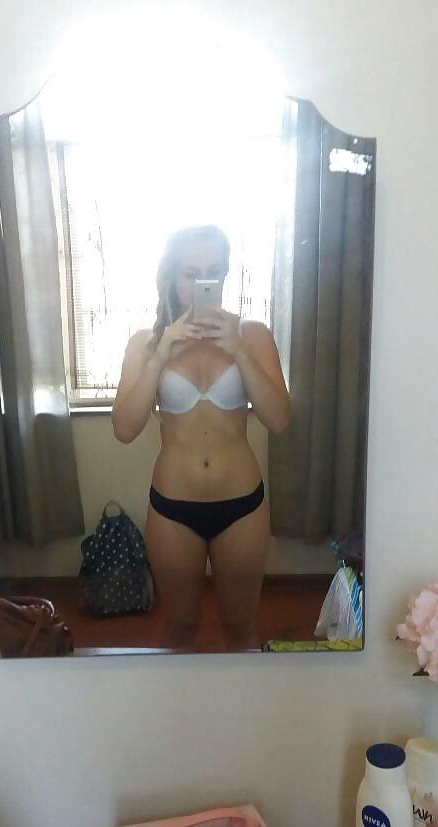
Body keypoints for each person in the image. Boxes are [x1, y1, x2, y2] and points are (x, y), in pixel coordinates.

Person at [112, 225, 290, 649]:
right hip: (173, 507)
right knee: (179, 628)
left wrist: (238, 351)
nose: (202, 283)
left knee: (241, 628)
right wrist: (162, 354)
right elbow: (125, 429)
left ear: (226, 274)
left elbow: (279, 421)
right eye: (191, 273)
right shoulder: (146, 343)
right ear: (172, 276)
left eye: (214, 272)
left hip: (241, 505)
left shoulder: (253, 335)